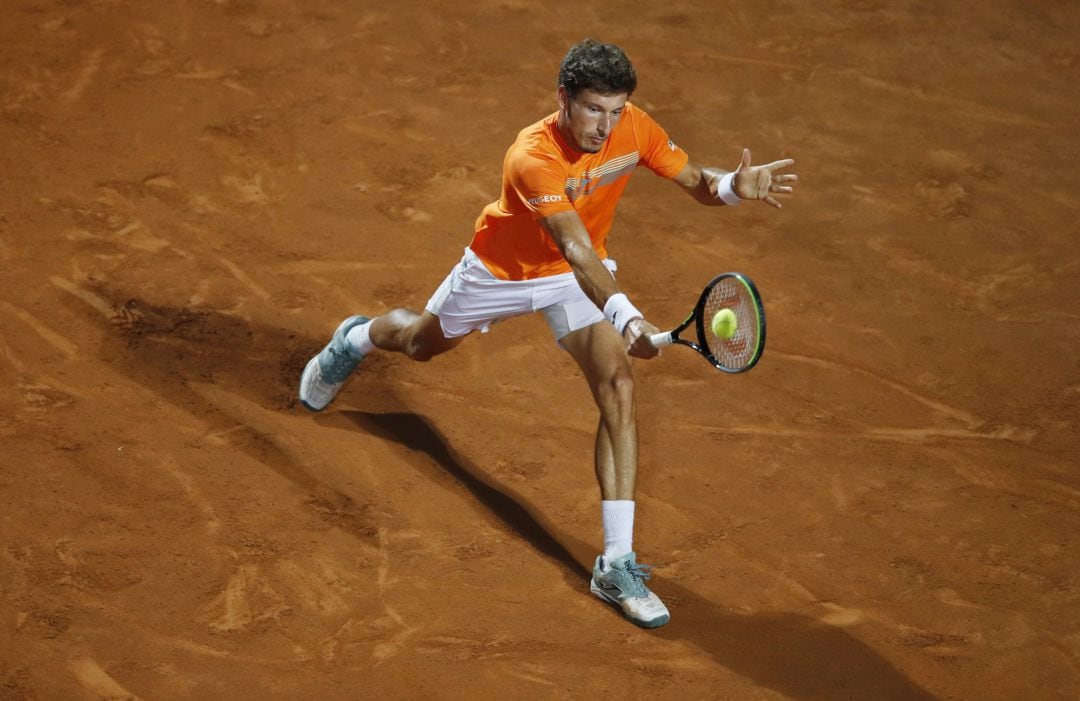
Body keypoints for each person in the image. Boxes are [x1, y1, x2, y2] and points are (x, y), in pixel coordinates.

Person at [299, 38, 796, 629]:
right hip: (502, 273)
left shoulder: (633, 128)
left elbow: (697, 182)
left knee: (619, 386)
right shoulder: (532, 155)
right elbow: (574, 247)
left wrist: (735, 188)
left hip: (573, 279)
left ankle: (615, 563)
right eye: (593, 110)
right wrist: (626, 315)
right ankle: (354, 339)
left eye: (615, 111)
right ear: (563, 98)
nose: (606, 127)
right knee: (420, 345)